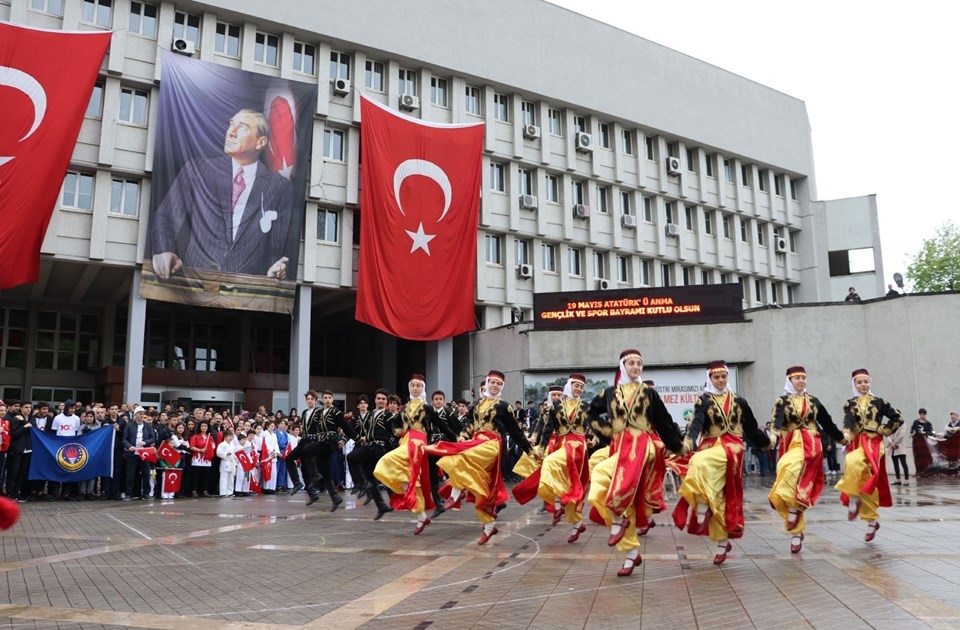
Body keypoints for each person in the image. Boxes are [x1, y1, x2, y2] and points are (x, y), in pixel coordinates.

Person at [150, 109, 293, 280]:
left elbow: (276, 246)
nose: (231, 132)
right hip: (194, 286)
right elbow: (166, 218)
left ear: (260, 142)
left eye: (242, 128)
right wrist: (164, 249)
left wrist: (274, 270)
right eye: (231, 124)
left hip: (246, 292)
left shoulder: (280, 187)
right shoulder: (198, 170)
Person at [587, 349, 683, 576]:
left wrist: (677, 446)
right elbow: (590, 411)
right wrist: (606, 430)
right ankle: (631, 554)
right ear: (623, 366)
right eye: (631, 363)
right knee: (599, 484)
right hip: (620, 447)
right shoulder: (610, 393)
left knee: (622, 487)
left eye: (639, 364)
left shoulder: (648, 393)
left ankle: (620, 519)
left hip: (642, 445)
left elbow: (665, 422)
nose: (636, 367)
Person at [672, 361, 771, 565]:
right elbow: (695, 425)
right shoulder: (704, 401)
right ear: (710, 379)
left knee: (724, 494)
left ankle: (714, 530)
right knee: (707, 482)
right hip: (710, 448)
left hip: (732, 452)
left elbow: (751, 428)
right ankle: (718, 536)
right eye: (716, 377)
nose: (720, 380)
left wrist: (766, 443)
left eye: (723, 377)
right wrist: (688, 443)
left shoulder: (739, 401)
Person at [427, 370, 532, 544]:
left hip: (491, 445)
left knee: (460, 455)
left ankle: (456, 492)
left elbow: (515, 431)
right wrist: (462, 434)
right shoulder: (477, 404)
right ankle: (489, 526)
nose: (495, 386)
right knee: (482, 489)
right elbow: (469, 424)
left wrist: (529, 450)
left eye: (499, 384)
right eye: (493, 382)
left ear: (501, 387)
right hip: (476, 442)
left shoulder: (504, 406)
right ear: (487, 383)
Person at [768, 366, 846, 553]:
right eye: (797, 378)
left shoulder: (813, 401)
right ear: (789, 380)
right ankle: (796, 533)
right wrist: (772, 437)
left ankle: (794, 525)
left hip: (811, 445)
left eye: (804, 378)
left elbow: (827, 423)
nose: (801, 381)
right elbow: (777, 422)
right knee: (788, 479)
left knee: (795, 478)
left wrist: (842, 439)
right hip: (790, 444)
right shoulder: (783, 402)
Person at [375, 376, 458, 534]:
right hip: (406, 441)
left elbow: (443, 426)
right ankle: (421, 516)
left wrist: (456, 438)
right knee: (412, 481)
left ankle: (407, 489)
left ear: (423, 388)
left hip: (418, 442)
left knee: (388, 461)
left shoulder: (427, 408)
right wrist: (396, 431)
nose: (415, 388)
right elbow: (396, 424)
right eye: (412, 385)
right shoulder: (405, 407)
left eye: (418, 385)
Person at [835, 369, 904, 542]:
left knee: (870, 478)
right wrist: (845, 434)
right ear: (854, 384)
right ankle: (859, 504)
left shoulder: (880, 402)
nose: (863, 385)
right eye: (859, 382)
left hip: (874, 443)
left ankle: (865, 512)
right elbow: (848, 422)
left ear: (870, 383)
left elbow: (897, 418)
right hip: (857, 442)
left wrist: (884, 429)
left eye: (866, 382)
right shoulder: (849, 404)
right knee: (853, 464)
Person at [536, 373, 592, 543]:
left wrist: (594, 437)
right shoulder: (556, 406)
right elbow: (547, 428)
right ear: (569, 385)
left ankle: (558, 504)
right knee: (568, 485)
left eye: (581, 387)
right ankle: (577, 524)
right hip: (562, 446)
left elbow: (593, 426)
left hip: (578, 448)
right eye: (576, 385)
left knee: (550, 462)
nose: (579, 389)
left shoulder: (585, 407)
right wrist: (542, 447)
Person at [347, 389, 396, 520]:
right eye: (378, 398)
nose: (380, 401)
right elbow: (367, 431)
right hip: (370, 445)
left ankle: (362, 484)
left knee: (351, 457)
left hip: (378, 448)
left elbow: (395, 431)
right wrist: (364, 438)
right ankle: (381, 505)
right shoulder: (372, 414)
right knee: (371, 477)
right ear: (375, 400)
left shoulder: (388, 415)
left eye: (383, 399)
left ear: (386, 402)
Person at [122, 407, 156, 501]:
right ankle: (129, 493)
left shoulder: (147, 426)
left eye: (143, 414)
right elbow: (124, 438)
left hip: (144, 453)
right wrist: (129, 446)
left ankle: (146, 493)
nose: (141, 416)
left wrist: (145, 442)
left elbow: (153, 438)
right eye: (140, 414)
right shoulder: (129, 425)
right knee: (130, 474)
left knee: (146, 474)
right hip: (132, 453)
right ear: (135, 415)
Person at [886, 417, 909, 485]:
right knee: (895, 464)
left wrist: (894, 443)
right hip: (892, 447)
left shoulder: (903, 424)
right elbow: (887, 434)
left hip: (900, 445)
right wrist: (891, 442)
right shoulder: (890, 424)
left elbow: (901, 435)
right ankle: (898, 479)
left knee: (903, 463)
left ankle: (906, 479)